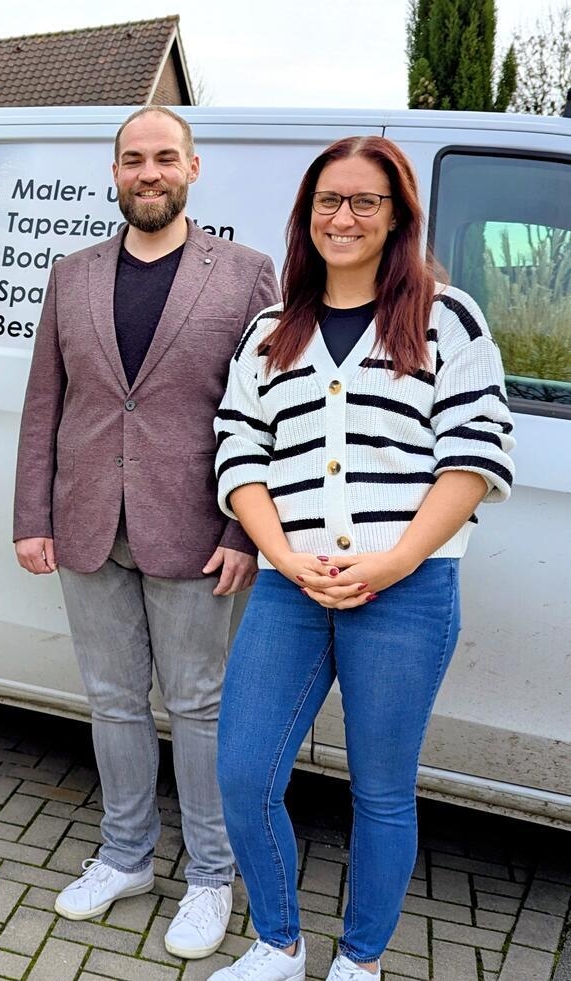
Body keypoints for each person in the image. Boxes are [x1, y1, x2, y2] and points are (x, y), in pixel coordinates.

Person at [210, 136, 514, 981]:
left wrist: (394, 559)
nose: (343, 217)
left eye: (364, 202)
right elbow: (239, 451)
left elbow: (476, 455)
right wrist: (280, 552)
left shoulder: (446, 318)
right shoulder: (271, 332)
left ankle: (361, 961)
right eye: (327, 202)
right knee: (243, 769)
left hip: (408, 590)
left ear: (396, 216)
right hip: (290, 586)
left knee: (380, 790)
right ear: (307, 217)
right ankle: (277, 942)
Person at [13, 105, 279, 960]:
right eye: (134, 159)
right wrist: (32, 515)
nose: (149, 172)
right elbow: (43, 406)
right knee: (113, 700)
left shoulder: (243, 274)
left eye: (166, 157)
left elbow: (268, 412)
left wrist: (247, 527)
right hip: (87, 522)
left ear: (193, 169)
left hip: (201, 532)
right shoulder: (72, 274)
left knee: (200, 707)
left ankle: (210, 875)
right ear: (116, 172)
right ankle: (125, 855)